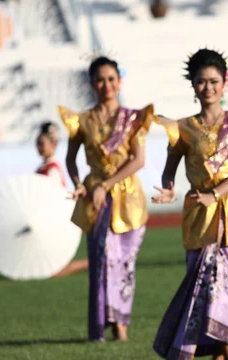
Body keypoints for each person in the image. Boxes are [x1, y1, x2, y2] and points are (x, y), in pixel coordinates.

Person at [152, 49, 228, 360]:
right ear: (193, 86)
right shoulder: (182, 128)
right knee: (208, 288)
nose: (208, 87)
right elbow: (169, 168)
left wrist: (217, 194)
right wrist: (168, 187)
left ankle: (219, 355)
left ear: (225, 83)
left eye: (214, 81)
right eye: (201, 81)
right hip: (199, 214)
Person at [59, 56, 154, 342]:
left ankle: (120, 322)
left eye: (111, 79)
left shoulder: (133, 119)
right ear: (92, 83)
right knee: (101, 260)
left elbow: (138, 160)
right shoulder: (82, 120)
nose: (106, 85)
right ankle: (102, 325)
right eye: (100, 79)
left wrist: (107, 184)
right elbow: (70, 159)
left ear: (119, 81)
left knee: (124, 262)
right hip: (96, 200)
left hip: (128, 199)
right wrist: (79, 184)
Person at [35, 122, 89, 278]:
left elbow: (53, 198)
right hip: (45, 220)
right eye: (37, 144)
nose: (39, 147)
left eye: (42, 144)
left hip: (53, 221)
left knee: (53, 270)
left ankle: (91, 261)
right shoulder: (43, 167)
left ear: (52, 144)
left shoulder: (52, 169)